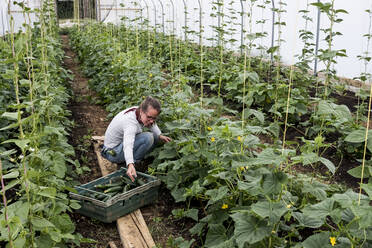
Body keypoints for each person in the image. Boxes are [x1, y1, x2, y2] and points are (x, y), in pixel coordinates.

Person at [101, 96, 171, 181]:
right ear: (142, 111)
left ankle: (132, 161)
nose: (151, 121)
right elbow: (128, 144)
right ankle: (130, 165)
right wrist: (130, 164)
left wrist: (160, 135)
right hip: (112, 152)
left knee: (156, 137)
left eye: (154, 118)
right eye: (149, 117)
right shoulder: (130, 123)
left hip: (119, 146)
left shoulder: (138, 111)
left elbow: (152, 123)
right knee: (148, 138)